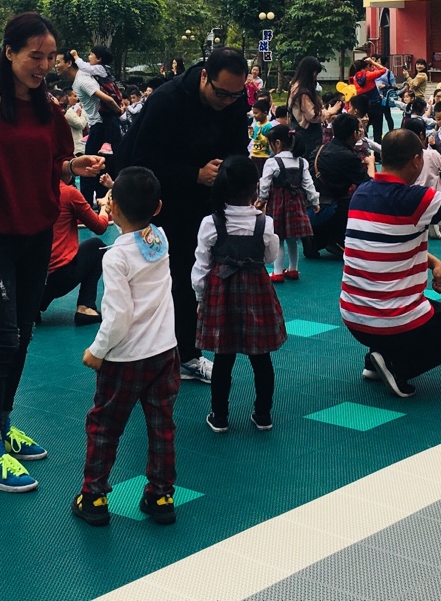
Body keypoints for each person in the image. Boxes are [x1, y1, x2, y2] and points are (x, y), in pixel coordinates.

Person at [0, 12, 105, 492]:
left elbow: (53, 167)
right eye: (34, 56)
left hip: (36, 231)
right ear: (9, 53)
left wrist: (73, 166)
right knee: (1, 338)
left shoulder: (48, 109)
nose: (44, 65)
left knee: (21, 335)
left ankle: (3, 425)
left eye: (50, 57)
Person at [122, 46, 251, 384]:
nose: (227, 101)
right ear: (204, 76)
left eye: (235, 95)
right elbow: (142, 160)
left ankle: (183, 351)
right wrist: (194, 174)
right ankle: (178, 355)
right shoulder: (166, 100)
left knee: (201, 276)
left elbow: (239, 149)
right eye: (221, 94)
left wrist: (233, 177)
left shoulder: (234, 102)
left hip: (210, 201)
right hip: (162, 202)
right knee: (173, 276)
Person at [340, 127, 441, 398]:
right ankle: (398, 367)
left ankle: (376, 359)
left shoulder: (362, 193)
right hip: (389, 321)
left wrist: (434, 263)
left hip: (353, 316)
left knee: (405, 304)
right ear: (417, 160)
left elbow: (386, 243)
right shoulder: (416, 199)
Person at [74, 166, 179, 526]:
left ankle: (94, 496)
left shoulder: (115, 257)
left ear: (113, 208)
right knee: (161, 425)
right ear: (158, 207)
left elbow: (118, 316)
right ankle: (161, 495)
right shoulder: (160, 239)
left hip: (126, 359)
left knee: (104, 425)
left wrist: (97, 351)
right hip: (165, 352)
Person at [193, 155, 285, 432]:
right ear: (255, 188)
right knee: (261, 356)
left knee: (224, 357)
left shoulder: (211, 223)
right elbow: (270, 256)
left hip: (221, 293)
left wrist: (200, 297)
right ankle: (263, 414)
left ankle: (220, 416)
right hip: (256, 291)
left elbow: (201, 264)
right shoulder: (264, 223)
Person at [40, 178, 109, 325]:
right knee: (96, 246)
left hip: (27, 285)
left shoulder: (28, 191)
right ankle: (86, 307)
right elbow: (100, 226)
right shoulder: (68, 193)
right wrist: (104, 207)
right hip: (58, 277)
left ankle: (29, 308)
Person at [58, 51, 120, 208]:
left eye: (58, 62)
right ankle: (95, 207)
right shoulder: (79, 80)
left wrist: (119, 111)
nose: (55, 65)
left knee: (93, 169)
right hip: (97, 127)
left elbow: (108, 99)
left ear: (69, 63)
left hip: (101, 127)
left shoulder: (82, 80)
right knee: (95, 170)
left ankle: (90, 208)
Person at [258, 125, 318, 283]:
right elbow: (308, 184)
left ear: (277, 143)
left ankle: (277, 272)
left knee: (278, 237)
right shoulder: (301, 162)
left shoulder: (272, 162)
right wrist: (315, 201)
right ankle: (293, 269)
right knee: (293, 238)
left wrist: (261, 199)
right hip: (296, 202)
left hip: (278, 202)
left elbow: (264, 184)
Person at [311, 113, 373, 257]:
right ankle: (338, 239)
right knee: (361, 199)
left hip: (312, 203)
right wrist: (370, 163)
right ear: (354, 134)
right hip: (333, 206)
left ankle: (316, 239)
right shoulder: (347, 156)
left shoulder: (319, 150)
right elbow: (367, 183)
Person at [287, 55, 326, 163]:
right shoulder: (302, 92)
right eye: (315, 73)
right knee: (309, 162)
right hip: (307, 134)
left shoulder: (294, 85)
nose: (315, 76)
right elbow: (312, 116)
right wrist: (329, 112)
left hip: (297, 129)